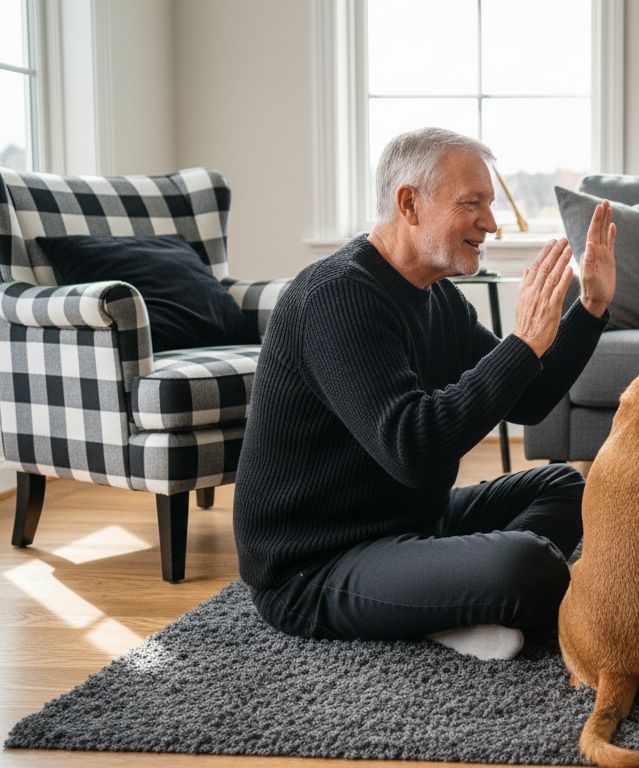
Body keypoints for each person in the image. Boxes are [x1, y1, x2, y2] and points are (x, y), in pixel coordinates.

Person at [233, 127, 616, 661]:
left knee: (569, 488)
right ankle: (465, 593)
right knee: (525, 566)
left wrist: (592, 307)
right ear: (409, 203)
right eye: (472, 204)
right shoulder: (334, 298)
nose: (491, 222)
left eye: (490, 204)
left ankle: (449, 599)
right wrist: (523, 342)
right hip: (314, 566)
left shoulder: (437, 298)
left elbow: (527, 401)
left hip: (410, 525)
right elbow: (412, 450)